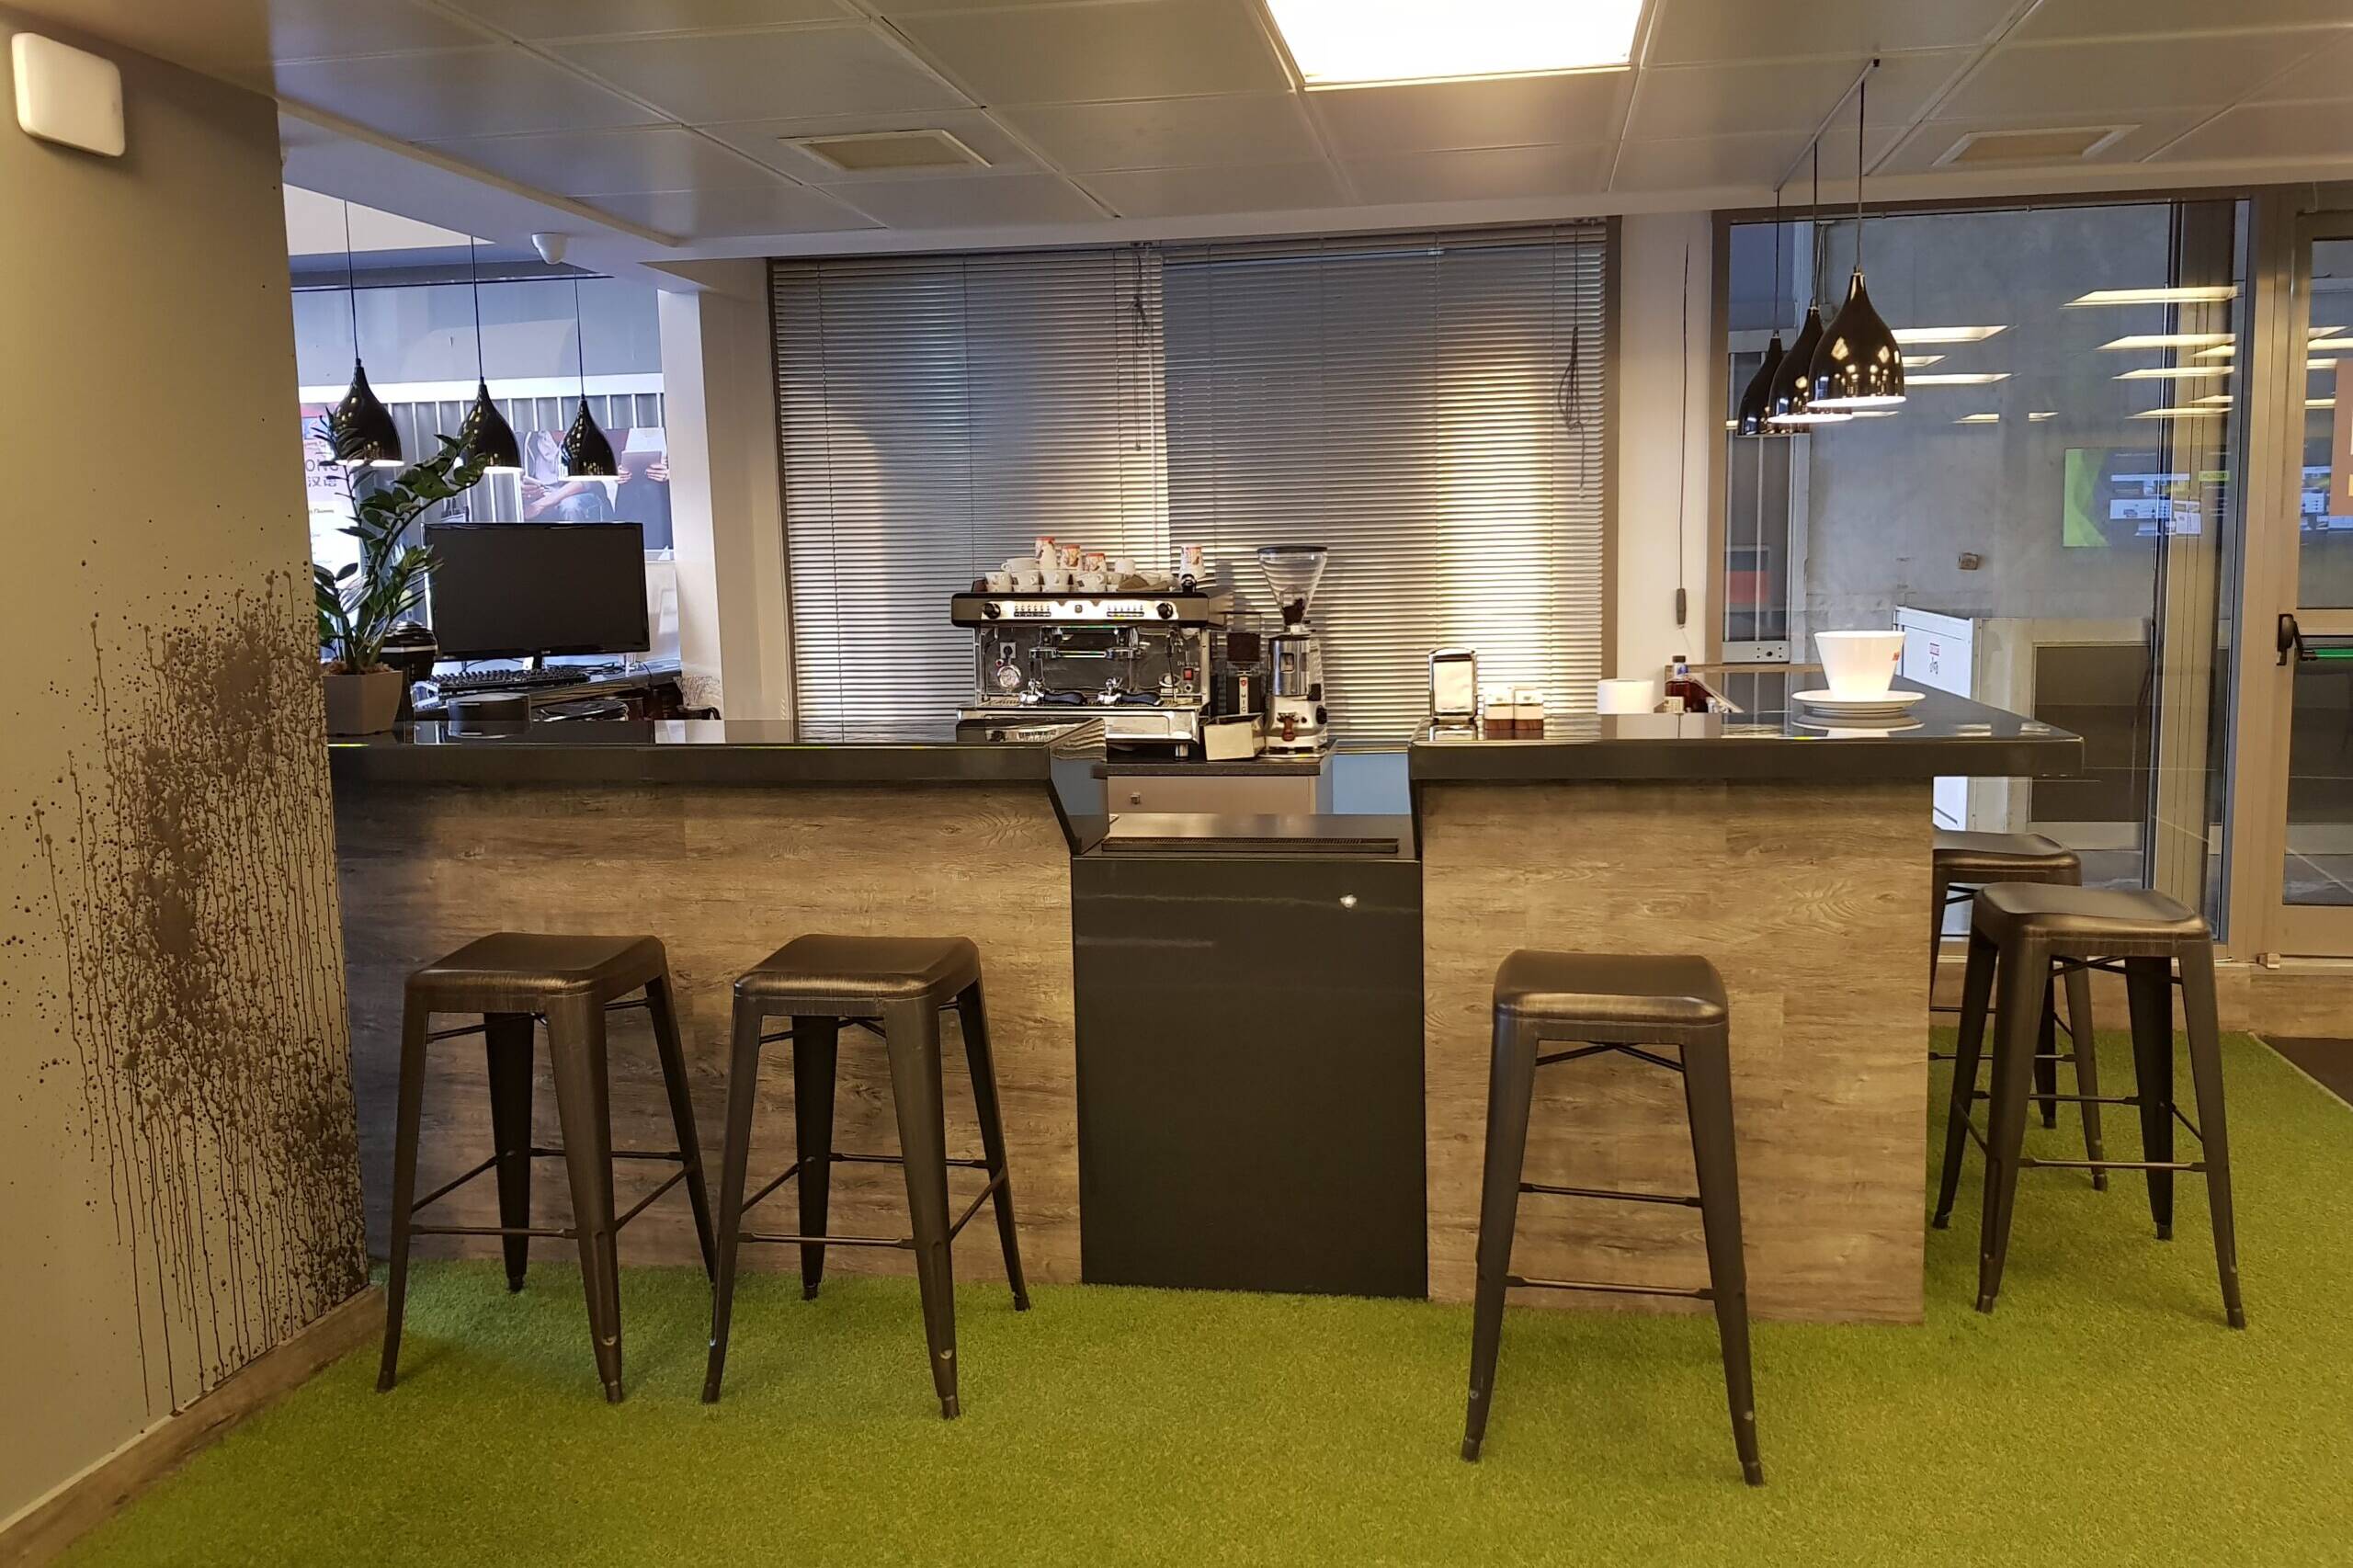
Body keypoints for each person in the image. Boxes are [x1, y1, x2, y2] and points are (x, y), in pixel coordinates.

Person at [520, 428, 612, 521]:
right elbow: (521, 476)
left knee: (570, 506)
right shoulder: (529, 436)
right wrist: (525, 489)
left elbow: (586, 480)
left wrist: (542, 503)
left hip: (582, 494)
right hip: (543, 493)